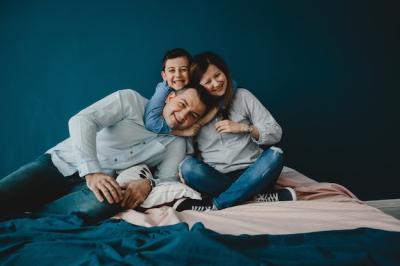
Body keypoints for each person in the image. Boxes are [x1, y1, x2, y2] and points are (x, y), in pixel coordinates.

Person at [0, 85, 211, 222]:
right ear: (170, 97)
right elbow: (81, 121)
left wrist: (148, 183)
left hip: (96, 188)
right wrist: (92, 171)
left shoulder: (176, 144)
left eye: (192, 115)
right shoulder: (130, 100)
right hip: (59, 163)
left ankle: (27, 216)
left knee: (107, 203)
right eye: (182, 104)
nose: (183, 115)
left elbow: (167, 179)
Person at [172, 52, 297, 212]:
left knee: (276, 154)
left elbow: (275, 132)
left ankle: (216, 204)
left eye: (218, 75)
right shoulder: (194, 111)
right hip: (216, 177)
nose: (216, 83)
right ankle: (254, 196)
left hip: (253, 172)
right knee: (187, 166)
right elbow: (186, 149)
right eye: (207, 81)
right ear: (198, 86)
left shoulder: (243, 96)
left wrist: (245, 128)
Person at [145, 48, 216, 137]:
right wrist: (182, 133)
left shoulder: (196, 86)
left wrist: (213, 111)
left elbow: (231, 84)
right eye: (172, 70)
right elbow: (151, 123)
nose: (178, 75)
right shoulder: (163, 90)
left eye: (183, 69)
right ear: (164, 76)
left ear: (191, 72)